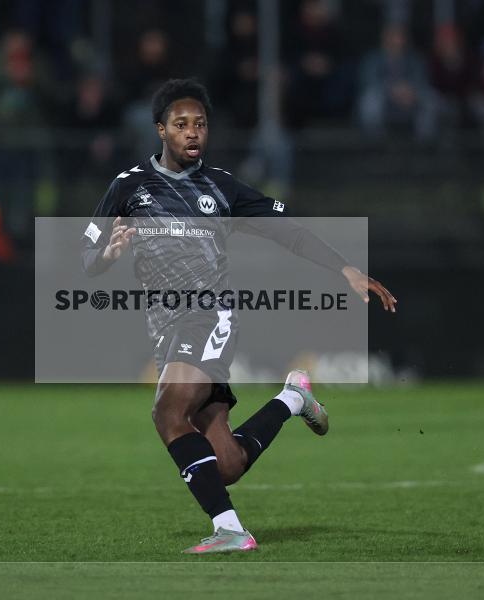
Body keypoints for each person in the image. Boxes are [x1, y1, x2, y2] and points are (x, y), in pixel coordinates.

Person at [81, 79, 396, 553]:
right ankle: (293, 399)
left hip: (207, 316)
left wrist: (345, 267)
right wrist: (108, 252)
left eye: (200, 125)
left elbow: (287, 232)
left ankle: (229, 530)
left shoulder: (222, 187)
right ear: (160, 130)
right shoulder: (128, 187)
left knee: (168, 412)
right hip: (165, 329)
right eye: (182, 125)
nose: (193, 133)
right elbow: (86, 259)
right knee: (225, 463)